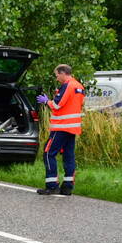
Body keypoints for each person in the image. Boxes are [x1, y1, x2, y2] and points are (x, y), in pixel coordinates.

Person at [36, 64, 86, 196]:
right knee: (69, 156)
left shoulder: (68, 85)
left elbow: (57, 105)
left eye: (57, 75)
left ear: (63, 73)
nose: (57, 77)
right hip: (73, 127)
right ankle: (67, 187)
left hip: (61, 126)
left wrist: (47, 101)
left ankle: (52, 186)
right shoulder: (79, 86)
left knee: (48, 153)